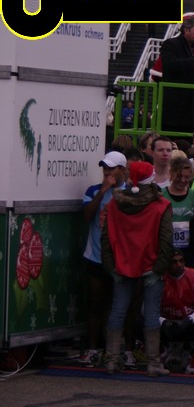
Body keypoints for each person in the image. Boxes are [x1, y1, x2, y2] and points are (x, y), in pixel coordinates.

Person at [100, 161, 174, 376]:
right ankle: (153, 363)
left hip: (121, 265)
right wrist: (159, 268)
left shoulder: (115, 204)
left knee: (118, 310)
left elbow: (106, 238)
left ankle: (111, 359)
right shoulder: (161, 205)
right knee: (151, 313)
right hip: (151, 266)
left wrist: (111, 266)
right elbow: (166, 241)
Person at [77, 151, 128, 367]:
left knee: (116, 306)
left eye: (112, 168)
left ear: (122, 170)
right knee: (95, 304)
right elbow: (87, 215)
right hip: (95, 257)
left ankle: (114, 350)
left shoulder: (131, 192)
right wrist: (104, 191)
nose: (107, 172)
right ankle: (92, 349)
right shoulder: (94, 190)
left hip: (120, 260)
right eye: (105, 168)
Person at [159, 249, 194, 373]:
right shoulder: (159, 277)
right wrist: (163, 322)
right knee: (139, 322)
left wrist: (188, 320)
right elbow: (146, 309)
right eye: (174, 262)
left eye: (181, 261)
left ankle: (193, 358)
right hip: (166, 326)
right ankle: (161, 352)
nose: (179, 265)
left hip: (187, 324)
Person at [160, 13, 194, 132]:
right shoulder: (170, 44)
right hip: (174, 104)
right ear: (186, 30)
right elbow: (169, 65)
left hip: (190, 106)